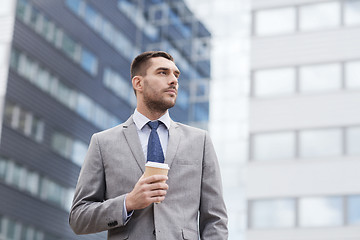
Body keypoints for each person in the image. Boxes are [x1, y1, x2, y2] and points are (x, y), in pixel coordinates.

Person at [69, 51, 228, 239]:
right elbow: (78, 218)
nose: (173, 81)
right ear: (138, 83)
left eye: (176, 75)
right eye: (163, 73)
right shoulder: (103, 143)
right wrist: (128, 202)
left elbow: (215, 219)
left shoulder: (200, 141)